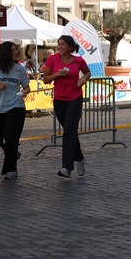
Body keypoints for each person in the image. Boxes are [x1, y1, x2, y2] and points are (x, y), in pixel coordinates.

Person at [43, 35, 91, 179]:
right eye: (59, 44)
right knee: (70, 132)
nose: (60, 46)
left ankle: (66, 168)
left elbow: (88, 72)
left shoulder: (78, 60)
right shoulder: (52, 59)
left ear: (70, 47)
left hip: (75, 99)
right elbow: (46, 79)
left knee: (69, 131)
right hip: (59, 100)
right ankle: (80, 159)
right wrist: (57, 74)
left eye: (63, 44)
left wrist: (83, 79)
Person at [0, 41, 30, 180]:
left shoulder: (20, 68)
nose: (16, 52)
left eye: (16, 49)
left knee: (10, 138)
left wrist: (25, 92)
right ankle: (13, 154)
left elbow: (27, 86)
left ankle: (10, 170)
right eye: (13, 50)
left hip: (17, 106)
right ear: (5, 52)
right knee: (3, 141)